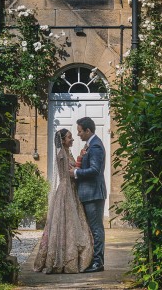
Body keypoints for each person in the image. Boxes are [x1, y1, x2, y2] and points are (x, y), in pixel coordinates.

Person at [33, 128, 93, 274]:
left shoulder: (67, 153)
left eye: (71, 137)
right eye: (69, 137)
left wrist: (80, 157)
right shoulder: (61, 155)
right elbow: (68, 173)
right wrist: (80, 163)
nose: (72, 139)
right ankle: (62, 260)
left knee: (72, 224)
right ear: (63, 141)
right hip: (66, 191)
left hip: (72, 189)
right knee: (66, 223)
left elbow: (74, 168)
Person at [72, 117, 107, 273]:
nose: (78, 134)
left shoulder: (96, 147)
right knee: (92, 229)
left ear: (88, 130)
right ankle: (93, 260)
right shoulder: (90, 145)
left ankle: (98, 263)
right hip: (89, 194)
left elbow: (95, 170)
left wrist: (76, 173)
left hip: (93, 194)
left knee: (96, 229)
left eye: (80, 131)